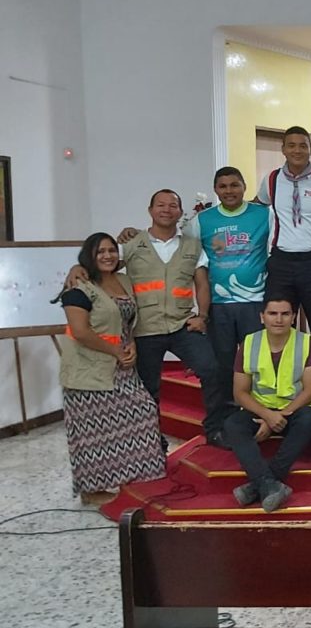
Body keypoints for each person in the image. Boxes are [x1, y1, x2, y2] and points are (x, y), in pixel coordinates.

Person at [70, 190, 229, 446]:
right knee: (148, 387)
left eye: (173, 205)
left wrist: (202, 316)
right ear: (150, 210)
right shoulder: (131, 244)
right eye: (161, 205)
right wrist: (77, 267)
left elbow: (201, 283)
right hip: (144, 329)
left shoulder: (193, 245)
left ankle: (215, 429)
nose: (167, 210)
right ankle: (152, 439)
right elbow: (103, 263)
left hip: (181, 324)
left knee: (211, 370)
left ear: (180, 211)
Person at [59, 233, 166, 504]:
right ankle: (91, 490)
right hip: (89, 371)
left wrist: (131, 346)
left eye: (111, 250)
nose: (107, 256)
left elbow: (128, 322)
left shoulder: (124, 280)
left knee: (142, 412)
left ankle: (131, 477)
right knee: (92, 434)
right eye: (100, 252)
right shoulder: (78, 288)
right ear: (89, 256)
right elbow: (81, 331)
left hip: (123, 367)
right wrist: (116, 351)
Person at [257, 126, 311, 405]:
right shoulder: (271, 180)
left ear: (310, 149)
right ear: (283, 149)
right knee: (277, 328)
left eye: (303, 145)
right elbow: (256, 208)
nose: (297, 150)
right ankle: (277, 392)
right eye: (291, 145)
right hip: (281, 262)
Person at [224, 296, 311, 513]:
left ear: (293, 317)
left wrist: (279, 416)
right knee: (233, 424)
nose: (279, 319)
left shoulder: (307, 342)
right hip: (261, 410)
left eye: (285, 314)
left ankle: (260, 483)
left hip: (295, 409)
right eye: (272, 314)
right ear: (262, 317)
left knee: (309, 418)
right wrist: (267, 416)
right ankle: (268, 484)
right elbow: (240, 392)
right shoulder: (249, 343)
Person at [187, 167, 270, 418]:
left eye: (234, 185)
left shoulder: (265, 214)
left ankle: (260, 413)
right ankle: (227, 417)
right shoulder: (201, 221)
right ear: (215, 190)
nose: (229, 191)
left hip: (255, 302)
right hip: (218, 305)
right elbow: (184, 252)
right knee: (223, 364)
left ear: (244, 186)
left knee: (257, 361)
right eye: (223, 186)